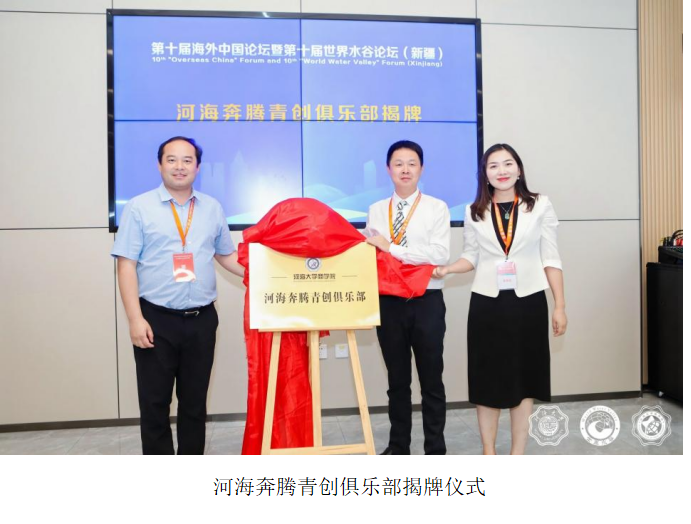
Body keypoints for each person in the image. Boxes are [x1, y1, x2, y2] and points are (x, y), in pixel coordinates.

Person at [112, 136, 244, 455]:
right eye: (171, 159)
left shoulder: (212, 208)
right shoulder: (139, 207)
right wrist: (135, 319)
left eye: (187, 160)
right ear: (160, 165)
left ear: (197, 167)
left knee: (194, 404)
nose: (179, 166)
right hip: (155, 320)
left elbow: (226, 255)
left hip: (201, 320)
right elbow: (126, 265)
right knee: (154, 404)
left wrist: (265, 274)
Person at [434, 143, 567, 455]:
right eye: (493, 165)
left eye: (508, 164)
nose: (502, 171)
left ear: (519, 169)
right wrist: (449, 268)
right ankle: (489, 452)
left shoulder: (540, 205)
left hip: (529, 302)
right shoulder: (474, 210)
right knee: (487, 380)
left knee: (525, 380)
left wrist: (560, 306)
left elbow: (551, 258)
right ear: (485, 173)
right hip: (487, 305)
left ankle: (517, 452)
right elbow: (471, 256)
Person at [365, 140, 451, 455]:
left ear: (421, 169)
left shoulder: (437, 207)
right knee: (397, 381)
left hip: (426, 299)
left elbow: (439, 254)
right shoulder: (376, 210)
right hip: (388, 302)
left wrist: (392, 248)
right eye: (398, 163)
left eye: (412, 163)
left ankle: (435, 450)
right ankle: (398, 446)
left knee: (431, 380)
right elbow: (373, 256)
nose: (405, 169)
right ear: (388, 169)